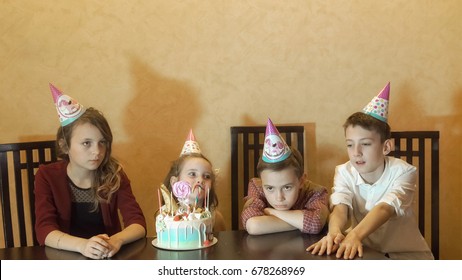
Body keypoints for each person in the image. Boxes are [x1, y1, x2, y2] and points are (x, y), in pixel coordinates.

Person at [306, 82, 433, 259]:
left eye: (365, 144)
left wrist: (355, 235)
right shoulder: (344, 172)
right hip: (364, 252)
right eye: (350, 145)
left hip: (406, 255)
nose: (356, 152)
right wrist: (333, 233)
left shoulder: (404, 172)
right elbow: (340, 208)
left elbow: (384, 209)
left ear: (386, 146)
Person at [34, 84, 146, 260]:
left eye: (102, 142)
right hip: (66, 259)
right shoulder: (47, 176)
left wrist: (116, 241)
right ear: (65, 145)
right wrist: (83, 245)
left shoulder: (114, 174)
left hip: (106, 256)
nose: (97, 151)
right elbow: (45, 230)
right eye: (87, 143)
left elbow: (137, 224)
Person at [241, 118, 329, 235]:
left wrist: (272, 212)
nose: (279, 198)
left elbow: (315, 223)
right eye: (270, 188)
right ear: (262, 183)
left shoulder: (316, 192)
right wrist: (299, 222)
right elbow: (254, 225)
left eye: (287, 187)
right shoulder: (257, 187)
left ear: (301, 180)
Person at [162, 129, 226, 231]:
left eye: (207, 176)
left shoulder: (215, 217)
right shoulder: (165, 216)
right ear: (175, 182)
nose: (200, 180)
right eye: (192, 174)